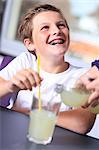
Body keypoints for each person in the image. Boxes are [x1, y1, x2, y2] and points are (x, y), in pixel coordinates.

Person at [0, 4, 96, 134]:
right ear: (30, 44)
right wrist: (9, 86)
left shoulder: (83, 76)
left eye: (61, 25)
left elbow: (81, 123)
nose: (56, 30)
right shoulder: (25, 61)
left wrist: (27, 113)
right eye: (45, 27)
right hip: (15, 133)